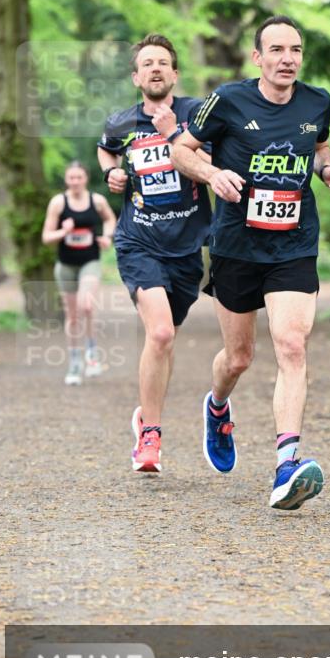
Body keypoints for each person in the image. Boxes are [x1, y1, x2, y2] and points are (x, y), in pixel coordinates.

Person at [171, 15, 330, 510]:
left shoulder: (317, 101)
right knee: (239, 358)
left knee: (292, 344)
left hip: (294, 243)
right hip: (235, 245)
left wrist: (327, 169)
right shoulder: (227, 100)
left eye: (294, 50)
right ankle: (218, 405)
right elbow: (179, 149)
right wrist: (211, 173)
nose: (287, 59)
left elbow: (317, 146)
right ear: (258, 57)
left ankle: (287, 464)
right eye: (276, 50)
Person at [96, 34, 212, 474]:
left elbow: (215, 158)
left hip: (187, 247)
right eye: (148, 64)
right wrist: (112, 174)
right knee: (160, 334)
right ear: (136, 76)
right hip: (138, 240)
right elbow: (106, 149)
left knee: (166, 339)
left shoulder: (197, 115)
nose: (156, 69)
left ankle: (145, 415)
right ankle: (151, 437)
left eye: (163, 62)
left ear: (175, 74)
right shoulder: (121, 123)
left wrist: (175, 136)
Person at [42, 161, 117, 386]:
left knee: (87, 305)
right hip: (65, 265)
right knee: (72, 315)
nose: (75, 181)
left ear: (85, 179)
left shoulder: (97, 200)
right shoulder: (58, 203)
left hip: (90, 261)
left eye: (79, 177)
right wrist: (62, 232)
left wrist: (107, 236)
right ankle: (75, 361)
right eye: (71, 178)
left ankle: (91, 353)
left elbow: (110, 219)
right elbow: (46, 237)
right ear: (66, 180)